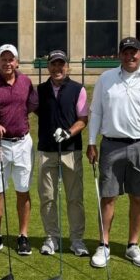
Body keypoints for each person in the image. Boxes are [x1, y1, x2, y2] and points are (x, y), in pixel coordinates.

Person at [86, 37, 140, 269]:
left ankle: (133, 245)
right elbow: (97, 112)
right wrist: (92, 142)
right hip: (111, 144)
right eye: (126, 52)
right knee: (108, 196)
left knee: (138, 196)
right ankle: (104, 244)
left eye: (135, 52)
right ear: (119, 54)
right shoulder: (106, 78)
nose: (130, 56)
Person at [0, 43, 39, 256]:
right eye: (3, 59)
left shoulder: (26, 82)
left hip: (22, 143)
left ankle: (23, 236)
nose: (7, 63)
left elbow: (32, 106)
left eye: (11, 59)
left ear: (17, 62)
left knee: (23, 190)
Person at [36, 50, 90, 257]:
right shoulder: (40, 90)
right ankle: (52, 238)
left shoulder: (78, 89)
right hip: (46, 150)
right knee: (47, 197)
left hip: (70, 150)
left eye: (61, 64)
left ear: (67, 66)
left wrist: (68, 133)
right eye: (53, 64)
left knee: (74, 198)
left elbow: (82, 119)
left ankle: (76, 239)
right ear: (48, 67)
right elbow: (37, 110)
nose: (57, 68)